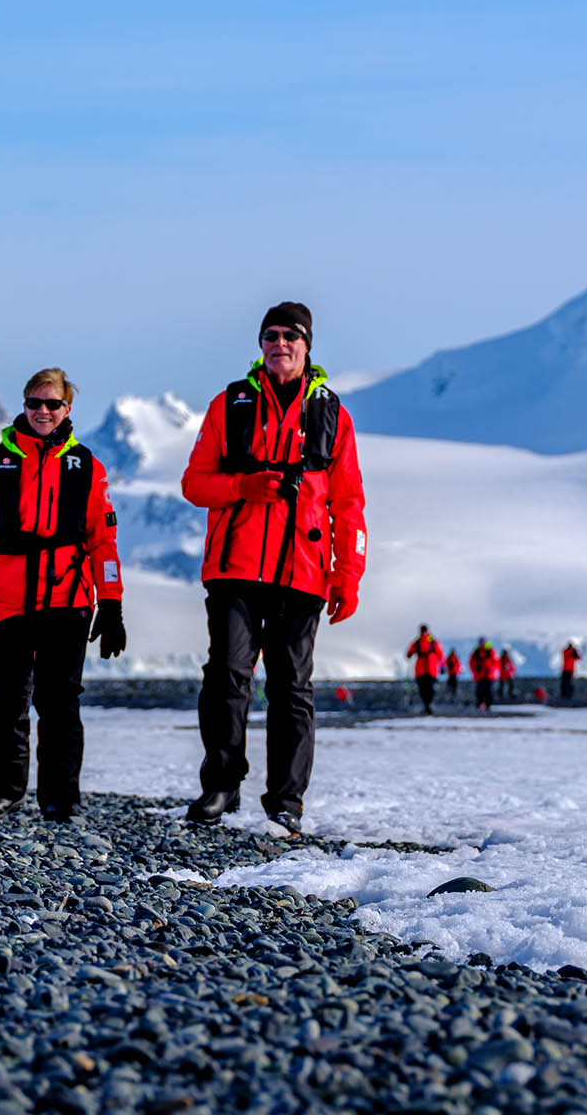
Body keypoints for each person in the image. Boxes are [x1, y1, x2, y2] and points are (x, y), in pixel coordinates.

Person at [180, 304, 364, 833]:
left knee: (290, 688)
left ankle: (285, 801)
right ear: (261, 344)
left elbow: (349, 503)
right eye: (270, 335)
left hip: (302, 573)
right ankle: (220, 786)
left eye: (290, 336)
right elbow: (194, 484)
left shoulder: (332, 413)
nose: (279, 344)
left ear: (307, 346)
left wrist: (347, 573)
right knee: (227, 677)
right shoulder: (230, 405)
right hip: (235, 568)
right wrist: (244, 486)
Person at [0, 367, 126, 821]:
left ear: (68, 409)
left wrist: (113, 602)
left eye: (52, 404)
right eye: (34, 404)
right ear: (23, 406)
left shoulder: (86, 466)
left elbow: (103, 540)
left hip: (67, 600)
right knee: (7, 700)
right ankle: (3, 790)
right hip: (5, 600)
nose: (42, 412)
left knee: (60, 701)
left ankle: (61, 797)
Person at [406, 625, 443, 715]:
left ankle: (427, 706)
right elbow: (440, 655)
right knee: (425, 689)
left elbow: (440, 654)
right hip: (425, 669)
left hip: (428, 669)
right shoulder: (425, 642)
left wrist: (442, 666)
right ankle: (427, 706)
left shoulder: (429, 641)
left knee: (427, 689)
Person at [469, 638, 497, 711]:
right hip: (479, 676)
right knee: (479, 691)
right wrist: (476, 669)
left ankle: (488, 705)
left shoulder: (491, 651)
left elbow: (496, 662)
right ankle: (480, 704)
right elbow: (471, 663)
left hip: (489, 676)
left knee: (489, 691)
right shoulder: (476, 652)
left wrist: (490, 669)